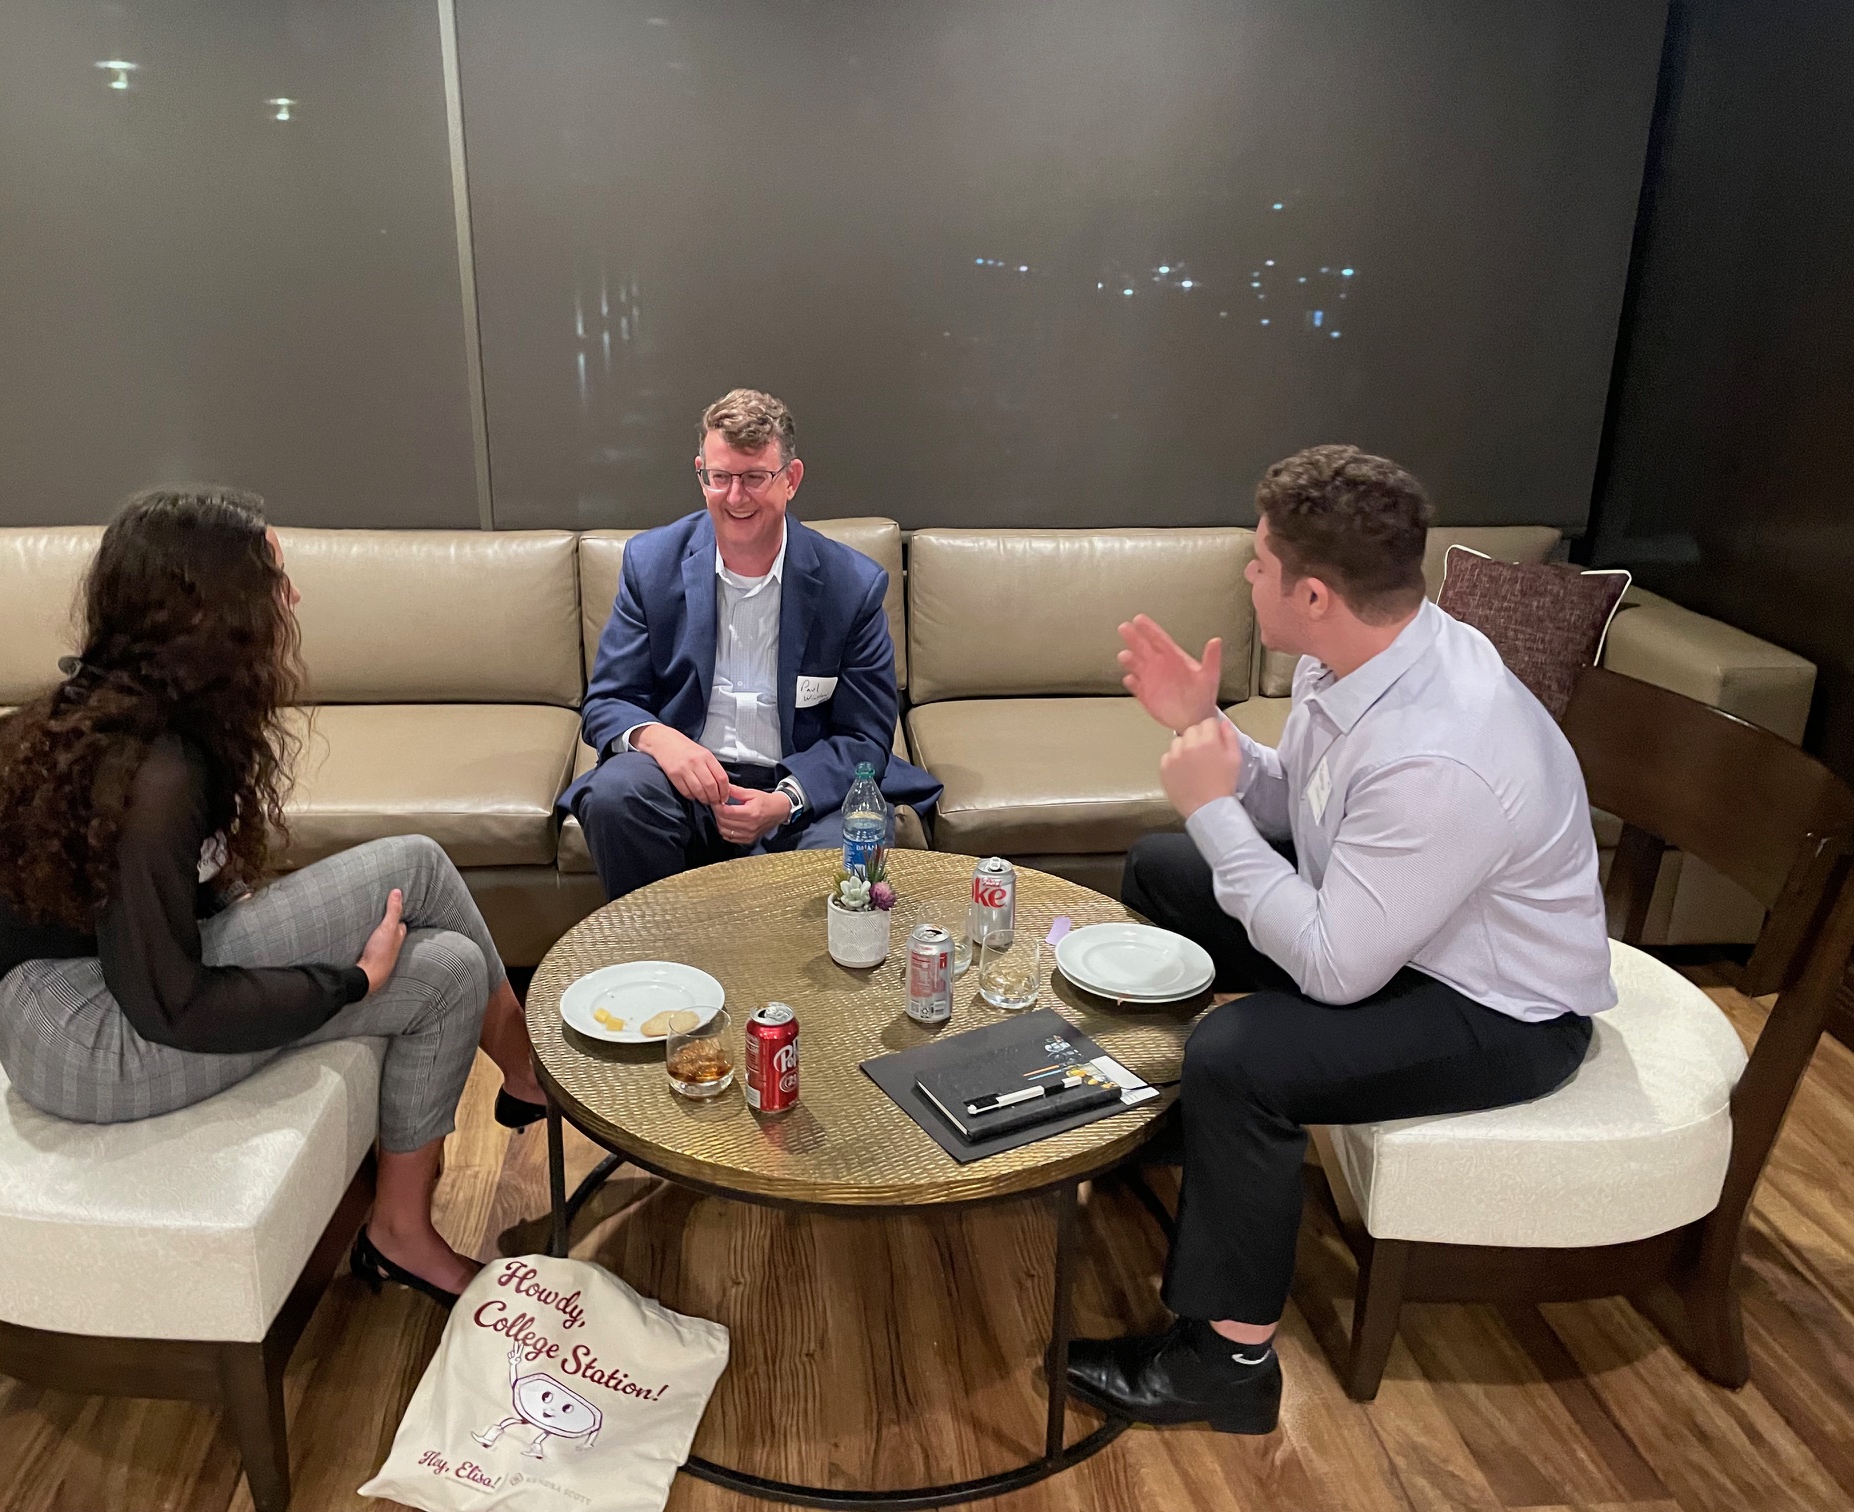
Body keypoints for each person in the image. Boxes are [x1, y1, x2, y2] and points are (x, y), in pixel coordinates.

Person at [1069, 445, 1613, 1434]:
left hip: (1498, 1008)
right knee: (1164, 868)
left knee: (1240, 1056)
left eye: (1262, 563)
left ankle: (1226, 1364)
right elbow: (1312, 796)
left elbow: (1332, 967)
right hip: (1402, 930)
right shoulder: (1365, 653)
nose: (1248, 575)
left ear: (1314, 593)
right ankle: (1166, 1128)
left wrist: (1215, 810)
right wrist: (1214, 736)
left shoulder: (1442, 748)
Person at [0, 487, 547, 1309]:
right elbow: (168, 1004)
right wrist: (350, 983)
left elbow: (193, 901)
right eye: (274, 576)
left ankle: (400, 1232)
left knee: (447, 968)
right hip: (82, 1037)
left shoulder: (163, 709)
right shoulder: (150, 772)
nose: (293, 595)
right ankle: (527, 1070)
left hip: (126, 982)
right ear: (213, 607)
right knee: (414, 864)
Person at [564, 388, 941, 898]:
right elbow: (607, 702)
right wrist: (659, 740)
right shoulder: (651, 565)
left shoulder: (850, 586)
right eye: (720, 478)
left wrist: (786, 799)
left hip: (800, 792)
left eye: (755, 478)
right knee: (615, 792)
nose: (736, 497)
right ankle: (657, 961)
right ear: (701, 474)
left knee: (847, 851)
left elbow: (866, 736)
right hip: (685, 786)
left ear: (791, 480)